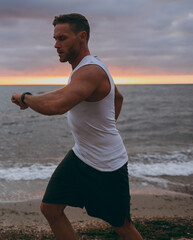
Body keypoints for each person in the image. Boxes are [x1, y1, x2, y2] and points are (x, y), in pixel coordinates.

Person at [11, 13, 143, 240]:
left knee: (121, 225)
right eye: (55, 39)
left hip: (106, 164)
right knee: (50, 209)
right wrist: (103, 129)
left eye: (62, 38)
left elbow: (58, 105)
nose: (56, 45)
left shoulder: (90, 71)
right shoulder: (84, 70)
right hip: (82, 155)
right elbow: (118, 98)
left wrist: (25, 97)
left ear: (82, 37)